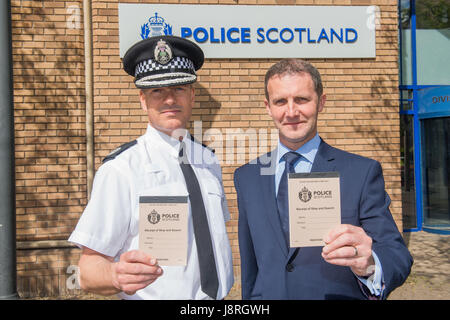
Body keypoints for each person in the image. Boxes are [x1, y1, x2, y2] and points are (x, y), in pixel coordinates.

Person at [69, 36, 234, 300]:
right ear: (143, 100)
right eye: (157, 91)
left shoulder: (208, 160)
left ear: (192, 95)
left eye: (179, 88)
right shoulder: (121, 169)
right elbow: (87, 271)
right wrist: (114, 275)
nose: (170, 99)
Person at [234, 59, 413, 300]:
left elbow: (396, 255)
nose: (291, 112)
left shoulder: (361, 173)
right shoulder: (247, 177)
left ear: (321, 102)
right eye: (280, 101)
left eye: (301, 99)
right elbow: (250, 264)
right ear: (268, 107)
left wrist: (369, 264)